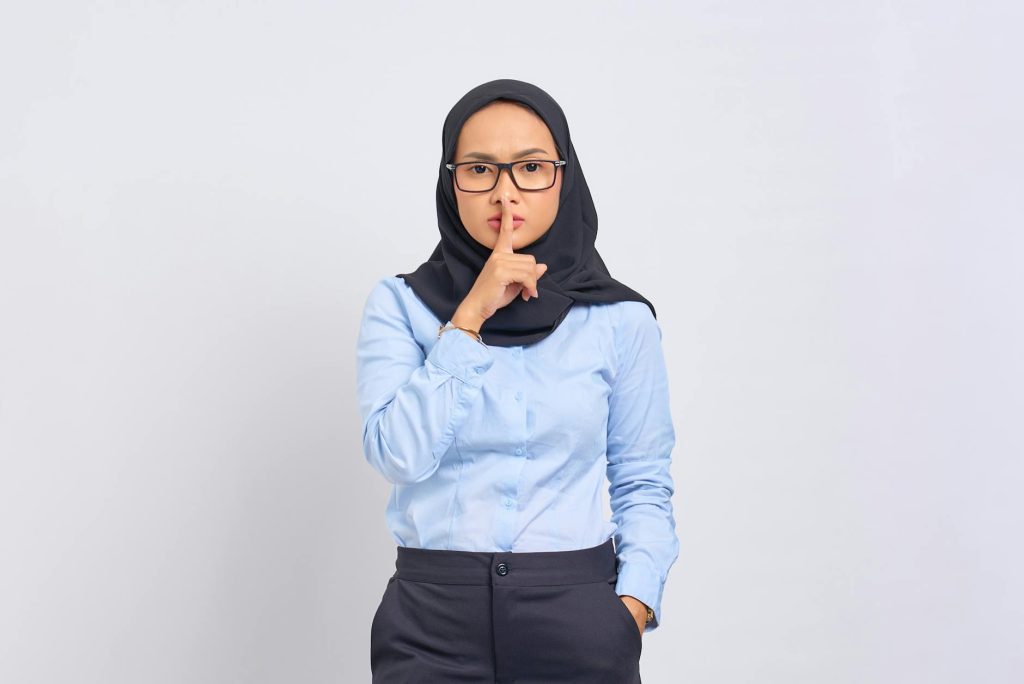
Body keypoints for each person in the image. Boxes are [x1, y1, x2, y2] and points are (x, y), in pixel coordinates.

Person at [355, 78, 679, 683]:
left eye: (531, 167)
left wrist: (630, 609)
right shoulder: (401, 306)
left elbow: (642, 480)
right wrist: (469, 317)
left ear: (565, 175)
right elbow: (397, 455)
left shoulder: (620, 320)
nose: (506, 192)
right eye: (479, 169)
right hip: (431, 620)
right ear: (451, 182)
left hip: (576, 614)